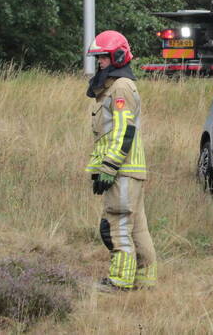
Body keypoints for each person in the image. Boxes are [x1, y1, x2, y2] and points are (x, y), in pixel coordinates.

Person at [85, 31, 156, 291]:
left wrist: (109, 167)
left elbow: (122, 131)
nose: (99, 62)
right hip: (128, 169)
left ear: (116, 56)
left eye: (103, 57)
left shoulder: (121, 87)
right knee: (136, 228)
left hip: (122, 170)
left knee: (117, 224)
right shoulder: (116, 86)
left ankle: (120, 282)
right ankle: (145, 281)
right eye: (98, 58)